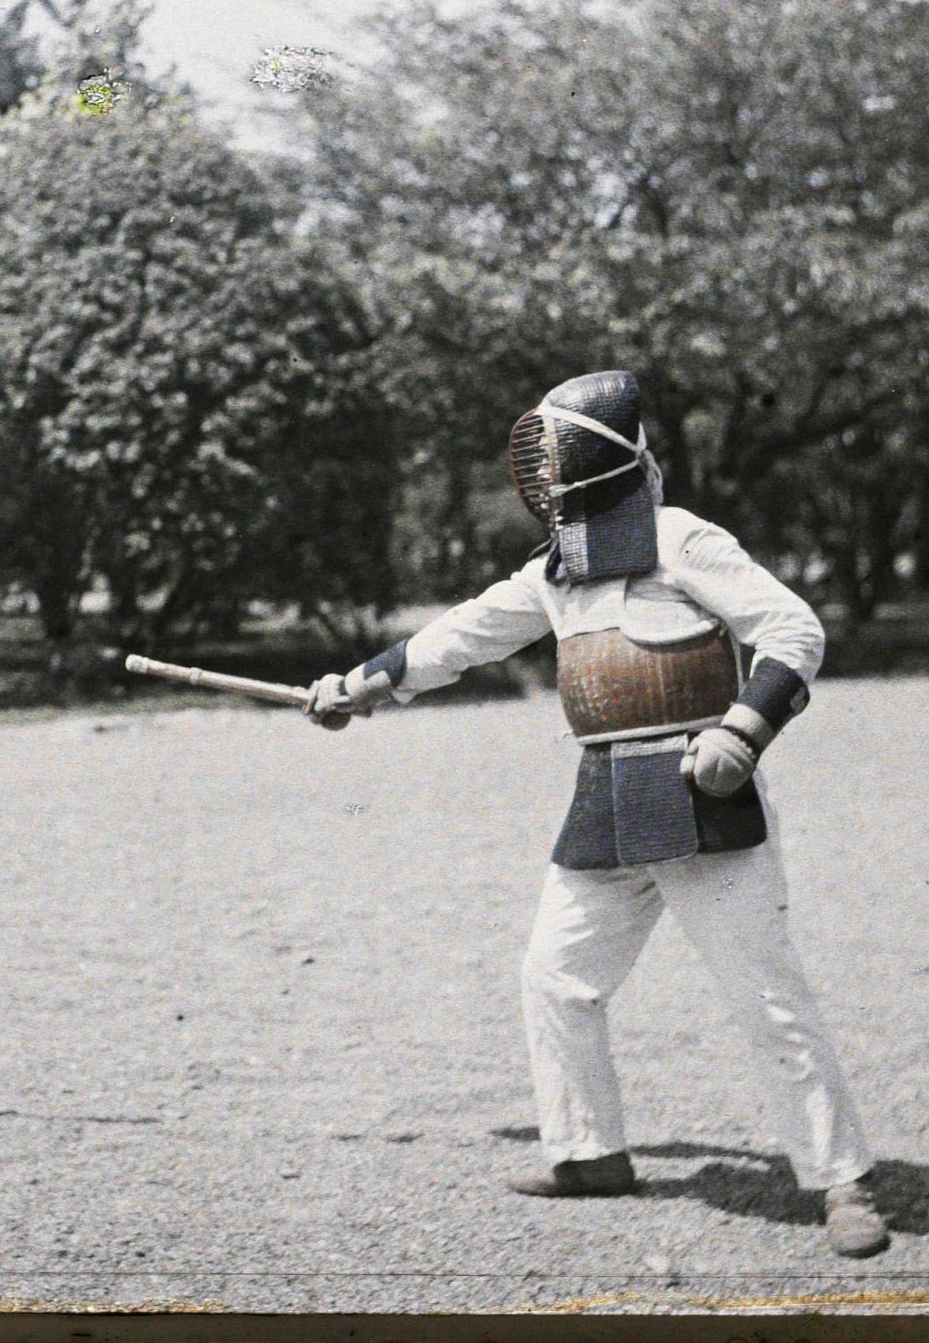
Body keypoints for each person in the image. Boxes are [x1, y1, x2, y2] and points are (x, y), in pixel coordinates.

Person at [304, 370, 888, 1259]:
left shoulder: (681, 538)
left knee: (765, 993)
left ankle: (841, 1180)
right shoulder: (553, 570)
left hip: (702, 796)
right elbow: (462, 635)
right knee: (556, 977)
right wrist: (356, 687)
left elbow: (794, 628)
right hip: (605, 802)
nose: (541, 472)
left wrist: (746, 727)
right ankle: (587, 1152)